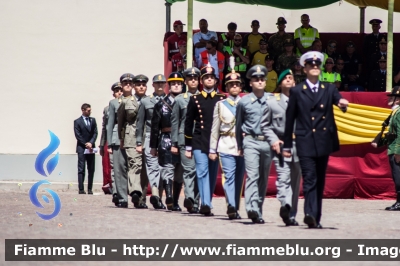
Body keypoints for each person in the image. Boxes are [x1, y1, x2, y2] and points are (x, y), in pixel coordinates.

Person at [283, 51, 349, 228]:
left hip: (323, 141)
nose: (314, 67)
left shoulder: (328, 88)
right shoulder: (297, 91)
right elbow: (290, 120)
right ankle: (310, 214)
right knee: (310, 177)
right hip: (305, 141)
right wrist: (287, 145)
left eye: (317, 65)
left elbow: (338, 100)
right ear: (304, 69)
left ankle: (316, 217)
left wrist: (343, 103)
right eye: (311, 65)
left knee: (320, 179)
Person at [261, 69, 301, 226]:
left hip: (299, 144)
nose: (289, 80)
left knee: (295, 181)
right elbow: (265, 125)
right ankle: (286, 204)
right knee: (283, 178)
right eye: (286, 78)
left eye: (291, 78)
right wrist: (274, 140)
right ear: (280, 83)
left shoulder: (302, 102)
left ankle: (292, 215)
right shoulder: (272, 102)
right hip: (282, 144)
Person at [185, 65, 226, 216]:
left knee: (212, 173)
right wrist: (188, 147)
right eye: (206, 77)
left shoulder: (222, 99)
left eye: (211, 77)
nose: (209, 79)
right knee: (202, 172)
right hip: (199, 140)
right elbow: (188, 123)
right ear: (202, 81)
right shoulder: (195, 99)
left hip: (215, 141)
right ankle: (206, 204)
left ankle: (206, 201)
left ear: (215, 81)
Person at [236, 65, 273, 224]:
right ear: (250, 82)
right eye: (255, 79)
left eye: (262, 79)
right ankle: (251, 207)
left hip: (268, 143)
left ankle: (258, 210)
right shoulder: (244, 102)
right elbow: (238, 125)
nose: (259, 81)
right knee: (252, 175)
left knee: (263, 178)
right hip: (250, 141)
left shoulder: (272, 100)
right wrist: (240, 145)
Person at [209, 69, 244, 220]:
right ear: (227, 88)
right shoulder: (220, 105)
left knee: (239, 178)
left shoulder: (246, 103)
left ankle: (235, 207)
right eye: (231, 85)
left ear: (241, 87)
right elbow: (215, 127)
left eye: (237, 84)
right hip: (225, 143)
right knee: (228, 176)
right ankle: (230, 205)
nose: (234, 87)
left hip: (242, 145)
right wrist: (212, 148)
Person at [150, 72, 184, 211]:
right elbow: (155, 127)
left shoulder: (187, 102)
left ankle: (175, 201)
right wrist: (153, 146)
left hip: (181, 140)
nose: (176, 85)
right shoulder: (161, 104)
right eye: (173, 83)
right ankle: (169, 197)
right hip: (166, 139)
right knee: (167, 170)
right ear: (168, 86)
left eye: (179, 83)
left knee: (179, 172)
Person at [171, 67, 201, 213]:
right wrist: (174, 143)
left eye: (195, 78)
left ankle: (196, 202)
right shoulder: (179, 99)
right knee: (189, 170)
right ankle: (189, 199)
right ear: (186, 81)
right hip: (184, 139)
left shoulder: (204, 98)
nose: (193, 81)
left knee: (200, 171)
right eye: (190, 78)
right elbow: (175, 122)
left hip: (201, 139)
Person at [117, 74, 149, 209]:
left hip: (147, 137)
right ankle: (135, 191)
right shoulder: (127, 101)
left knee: (144, 170)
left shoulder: (150, 101)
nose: (141, 87)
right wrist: (121, 138)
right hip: (131, 137)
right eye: (138, 84)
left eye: (143, 84)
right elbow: (121, 121)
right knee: (134, 164)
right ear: (134, 87)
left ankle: (141, 200)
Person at [136, 74, 167, 210]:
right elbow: (140, 123)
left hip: (166, 137)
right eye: (157, 83)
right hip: (149, 137)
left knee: (163, 169)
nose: (160, 85)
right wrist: (139, 142)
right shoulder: (146, 101)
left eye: (162, 83)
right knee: (152, 166)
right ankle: (155, 194)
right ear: (153, 85)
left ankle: (158, 197)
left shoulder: (170, 100)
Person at [371, 86, 400, 211]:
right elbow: (392, 134)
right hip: (393, 148)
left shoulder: (398, 113)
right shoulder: (394, 112)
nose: (390, 100)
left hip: (396, 150)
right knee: (396, 177)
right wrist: (380, 142)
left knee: (398, 177)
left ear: (398, 100)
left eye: (392, 97)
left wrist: (398, 152)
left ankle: (399, 202)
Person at [107, 74, 132, 207]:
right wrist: (110, 142)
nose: (128, 84)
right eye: (125, 82)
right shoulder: (114, 103)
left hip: (134, 138)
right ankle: (122, 198)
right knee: (119, 169)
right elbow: (110, 124)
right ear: (121, 85)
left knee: (134, 169)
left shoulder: (138, 100)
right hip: (119, 138)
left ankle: (137, 196)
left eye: (130, 82)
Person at [99, 82, 122, 195]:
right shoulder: (107, 109)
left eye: (120, 90)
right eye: (117, 91)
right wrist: (102, 144)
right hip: (112, 139)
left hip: (125, 138)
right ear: (113, 94)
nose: (119, 93)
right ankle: (115, 189)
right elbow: (105, 127)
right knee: (113, 165)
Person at [74, 103, 98, 195]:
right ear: (83, 110)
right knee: (81, 168)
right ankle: (81, 189)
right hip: (81, 147)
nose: (90, 112)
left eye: (90, 110)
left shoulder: (93, 120)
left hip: (91, 148)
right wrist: (85, 143)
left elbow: (95, 133)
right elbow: (78, 135)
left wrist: (91, 143)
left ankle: (90, 188)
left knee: (91, 168)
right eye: (88, 110)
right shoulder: (77, 121)